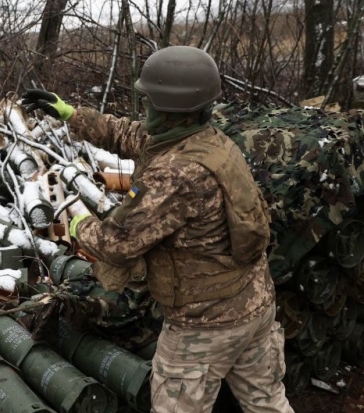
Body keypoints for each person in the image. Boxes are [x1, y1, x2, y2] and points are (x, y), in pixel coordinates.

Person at [20, 46, 294, 413]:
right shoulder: (208, 141)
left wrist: (76, 220)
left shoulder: (177, 174)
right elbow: (127, 134)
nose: (143, 107)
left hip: (204, 325)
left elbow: (116, 244)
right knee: (268, 403)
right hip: (254, 303)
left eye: (147, 100)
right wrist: (69, 113)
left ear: (169, 107)